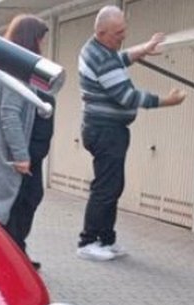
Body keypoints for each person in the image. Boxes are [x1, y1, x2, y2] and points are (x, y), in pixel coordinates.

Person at [76, 6, 187, 261]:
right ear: (101, 33)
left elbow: (121, 57)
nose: (123, 36)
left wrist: (144, 48)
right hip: (105, 131)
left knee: (113, 186)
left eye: (124, 30)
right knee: (106, 188)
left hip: (106, 130)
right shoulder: (101, 58)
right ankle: (88, 242)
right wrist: (167, 101)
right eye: (118, 33)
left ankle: (106, 239)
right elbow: (127, 97)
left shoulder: (100, 49)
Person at [0, 15, 54, 269]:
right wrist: (21, 156)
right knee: (16, 205)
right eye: (41, 39)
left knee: (24, 201)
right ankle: (8, 260)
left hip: (27, 153)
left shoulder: (21, 71)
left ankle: (16, 254)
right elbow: (9, 114)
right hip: (19, 155)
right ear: (32, 39)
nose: (43, 44)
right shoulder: (16, 72)